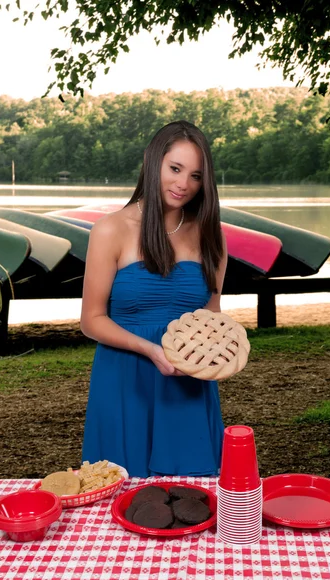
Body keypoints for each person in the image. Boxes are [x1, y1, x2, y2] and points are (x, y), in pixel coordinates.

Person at [80, 120, 228, 478]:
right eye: (175, 169)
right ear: (152, 161)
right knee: (118, 496)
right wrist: (151, 350)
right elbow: (92, 320)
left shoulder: (211, 236)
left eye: (195, 176)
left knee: (193, 497)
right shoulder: (111, 229)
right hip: (123, 383)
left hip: (188, 383)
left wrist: (220, 352)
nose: (183, 184)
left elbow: (211, 316)